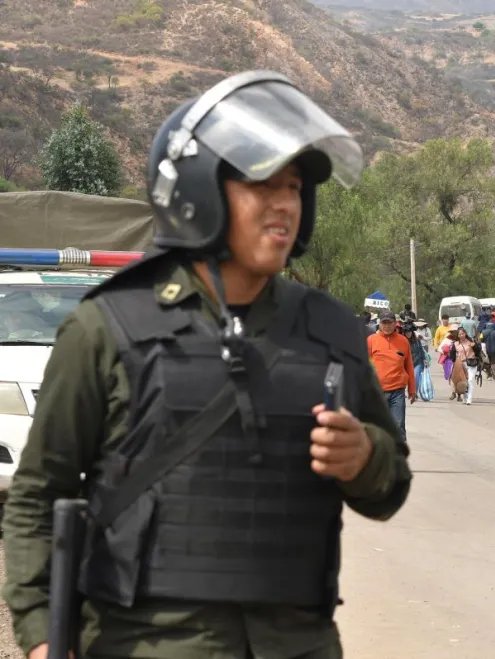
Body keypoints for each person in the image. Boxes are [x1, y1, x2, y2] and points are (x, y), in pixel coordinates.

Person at [1, 70, 413, 659]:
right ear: (196, 193)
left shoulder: (331, 330)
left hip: (297, 644)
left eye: (295, 187)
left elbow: (389, 488)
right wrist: (42, 634)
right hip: (142, 645)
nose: (284, 205)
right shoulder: (107, 328)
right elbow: (39, 494)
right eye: (262, 184)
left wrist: (364, 456)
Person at [367, 311, 417, 442]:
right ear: (380, 324)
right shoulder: (371, 340)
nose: (387, 326)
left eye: (390, 323)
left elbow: (409, 366)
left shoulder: (403, 341)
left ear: (395, 324)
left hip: (397, 392)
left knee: (398, 426)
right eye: (384, 323)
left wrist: (412, 389)